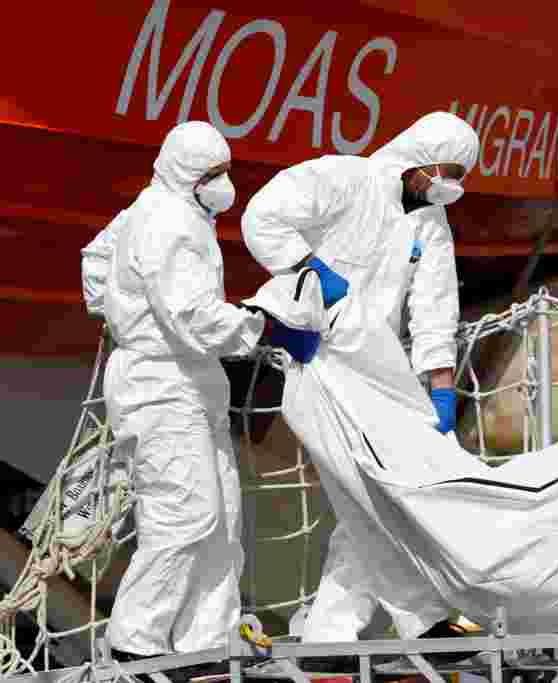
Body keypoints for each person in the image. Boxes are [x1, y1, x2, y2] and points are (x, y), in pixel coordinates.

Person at [80, 121, 319, 680]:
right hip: (161, 384)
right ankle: (135, 644)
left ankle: (206, 639)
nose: (225, 184)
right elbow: (193, 318)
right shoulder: (168, 224)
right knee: (184, 515)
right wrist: (264, 330)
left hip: (186, 379)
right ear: (189, 175)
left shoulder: (154, 208)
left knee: (222, 519)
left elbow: (97, 259)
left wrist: (117, 303)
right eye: (214, 174)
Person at [241, 111, 479, 663]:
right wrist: (309, 270)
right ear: (417, 159)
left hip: (380, 372)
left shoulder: (430, 221)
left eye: (459, 175)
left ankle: (331, 630)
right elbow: (264, 217)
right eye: (445, 170)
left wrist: (440, 386)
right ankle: (421, 622)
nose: (451, 185)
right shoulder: (343, 180)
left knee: (374, 493)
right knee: (368, 492)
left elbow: (435, 306)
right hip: (317, 363)